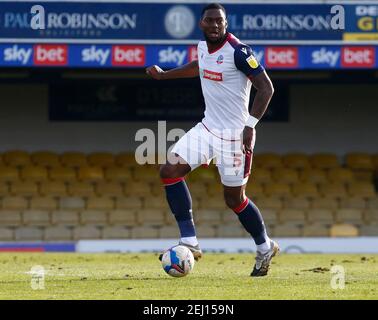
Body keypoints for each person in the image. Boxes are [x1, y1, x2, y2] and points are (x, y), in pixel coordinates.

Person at [146, 3, 278, 276]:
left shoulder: (239, 52)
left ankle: (265, 247)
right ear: (202, 24)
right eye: (210, 21)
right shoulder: (202, 47)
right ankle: (189, 241)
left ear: (226, 24)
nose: (215, 25)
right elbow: (200, 66)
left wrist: (250, 125)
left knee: (234, 199)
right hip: (207, 129)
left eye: (220, 21)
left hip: (235, 137)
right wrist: (164, 75)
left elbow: (266, 88)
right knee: (169, 170)